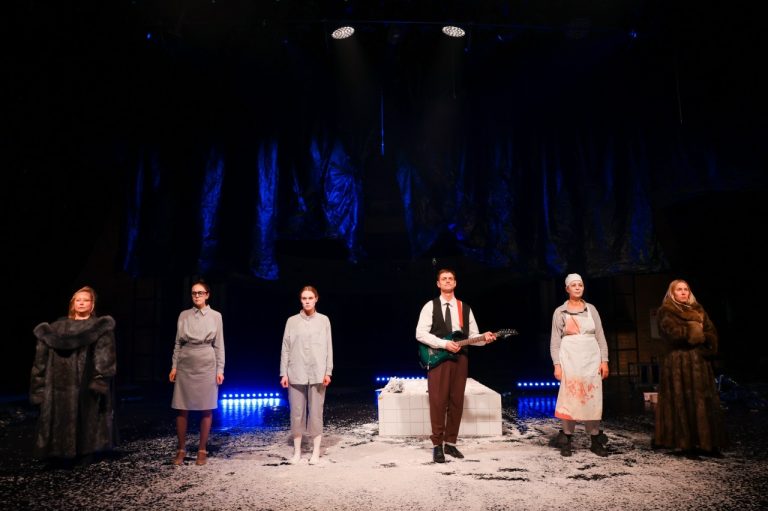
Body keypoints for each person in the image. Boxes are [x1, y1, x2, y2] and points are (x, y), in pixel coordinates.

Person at [415, 268, 496, 463]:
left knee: (456, 402)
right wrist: (444, 344)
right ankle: (437, 445)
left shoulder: (464, 308)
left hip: (461, 359)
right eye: (444, 279)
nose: (447, 281)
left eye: (450, 278)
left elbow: (474, 337)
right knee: (438, 402)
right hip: (439, 358)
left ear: (455, 283)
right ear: (438, 283)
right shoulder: (430, 306)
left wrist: (484, 338)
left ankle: (450, 443)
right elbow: (420, 334)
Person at [29, 286, 117, 464]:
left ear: (92, 305)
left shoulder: (98, 328)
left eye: (86, 300)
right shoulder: (55, 329)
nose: (82, 303)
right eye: (78, 300)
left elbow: (105, 357)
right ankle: (58, 453)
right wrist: (38, 387)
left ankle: (84, 452)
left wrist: (99, 380)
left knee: (84, 416)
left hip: (85, 382)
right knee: (58, 416)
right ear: (72, 304)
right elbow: (40, 362)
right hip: (56, 384)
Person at [654, 279, 727, 457]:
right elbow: (672, 334)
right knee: (682, 402)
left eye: (686, 289)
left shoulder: (698, 309)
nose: (683, 292)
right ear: (672, 293)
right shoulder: (666, 311)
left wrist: (706, 339)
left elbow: (711, 331)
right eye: (679, 289)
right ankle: (686, 444)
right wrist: (694, 329)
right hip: (678, 363)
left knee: (704, 402)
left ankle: (708, 444)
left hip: (700, 363)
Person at [550, 273, 610, 457]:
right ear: (567, 288)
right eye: (574, 285)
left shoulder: (591, 309)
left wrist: (604, 361)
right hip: (570, 358)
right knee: (570, 398)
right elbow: (555, 341)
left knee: (592, 397)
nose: (577, 287)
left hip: (591, 358)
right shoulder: (560, 312)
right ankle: (567, 439)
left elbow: (600, 336)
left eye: (580, 285)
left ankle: (595, 439)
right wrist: (557, 364)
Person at [169, 279, 225, 466]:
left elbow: (219, 345)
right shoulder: (184, 315)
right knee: (181, 407)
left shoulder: (216, 316)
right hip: (186, 362)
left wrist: (220, 369)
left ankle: (202, 449)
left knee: (206, 407)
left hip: (206, 363)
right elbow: (178, 343)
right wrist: (174, 366)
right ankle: (181, 449)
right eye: (194, 293)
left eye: (200, 293)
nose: (197, 296)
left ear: (207, 295)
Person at [280, 285, 333, 465]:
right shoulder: (292, 321)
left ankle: (315, 451)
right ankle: (297, 452)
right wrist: (283, 373)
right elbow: (285, 348)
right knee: (297, 413)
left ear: (316, 299)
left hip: (318, 373)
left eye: (310, 298)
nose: (307, 301)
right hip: (296, 372)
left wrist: (328, 371)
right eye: (304, 298)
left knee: (316, 413)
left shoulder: (324, 320)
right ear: (300, 300)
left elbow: (329, 348)